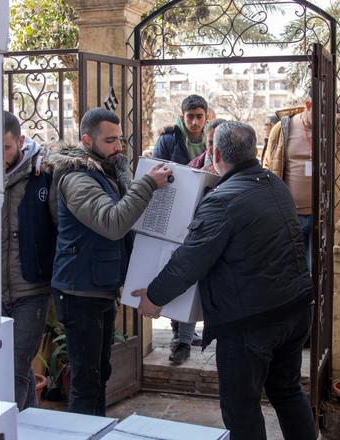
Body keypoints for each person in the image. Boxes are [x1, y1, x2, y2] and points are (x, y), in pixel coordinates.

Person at [133, 121, 315, 440]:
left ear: (215, 153)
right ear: (254, 150)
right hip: (295, 308)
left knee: (241, 408)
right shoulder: (275, 184)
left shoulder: (223, 199)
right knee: (286, 391)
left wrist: (154, 296)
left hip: (251, 322)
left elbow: (191, 259)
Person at [48, 108, 172, 416]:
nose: (118, 147)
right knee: (86, 381)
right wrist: (146, 186)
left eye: (120, 140)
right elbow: (113, 222)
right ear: (87, 140)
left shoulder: (105, 171)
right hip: (79, 291)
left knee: (99, 375)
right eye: (110, 141)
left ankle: (97, 430)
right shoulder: (77, 177)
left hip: (97, 287)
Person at [1, 111, 56, 410]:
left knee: (14, 370)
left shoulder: (43, 173)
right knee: (11, 370)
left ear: (20, 141)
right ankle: (32, 426)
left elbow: (60, 226)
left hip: (31, 290)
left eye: (6, 148)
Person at [153, 94, 208, 363]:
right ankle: (181, 336)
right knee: (175, 270)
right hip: (174, 212)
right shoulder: (168, 140)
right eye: (190, 116)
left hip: (204, 212)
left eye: (199, 116)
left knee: (191, 273)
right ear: (182, 115)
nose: (195, 122)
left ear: (206, 115)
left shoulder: (214, 138)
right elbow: (157, 171)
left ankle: (183, 337)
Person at [262, 95, 313, 270]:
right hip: (290, 216)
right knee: (289, 269)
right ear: (308, 105)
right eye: (320, 112)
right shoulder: (283, 128)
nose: (325, 118)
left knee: (315, 270)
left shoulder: (337, 130)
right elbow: (269, 166)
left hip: (323, 217)